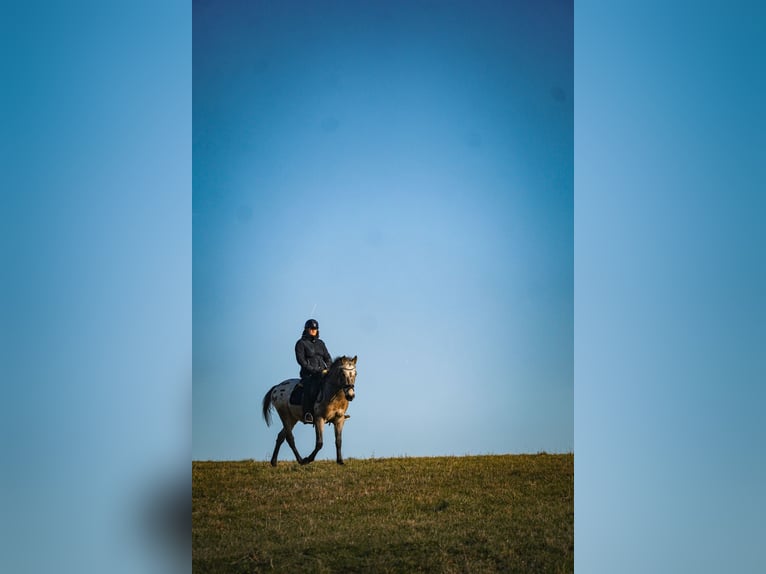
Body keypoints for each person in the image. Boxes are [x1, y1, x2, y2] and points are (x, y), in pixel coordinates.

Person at [295, 318, 332, 423]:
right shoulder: (301, 343)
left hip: (323, 373)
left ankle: (336, 411)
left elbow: (328, 357)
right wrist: (314, 370)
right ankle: (308, 413)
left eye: (315, 329)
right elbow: (301, 361)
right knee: (310, 389)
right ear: (306, 329)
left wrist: (328, 368)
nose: (313, 330)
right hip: (309, 375)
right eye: (311, 328)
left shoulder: (321, 343)